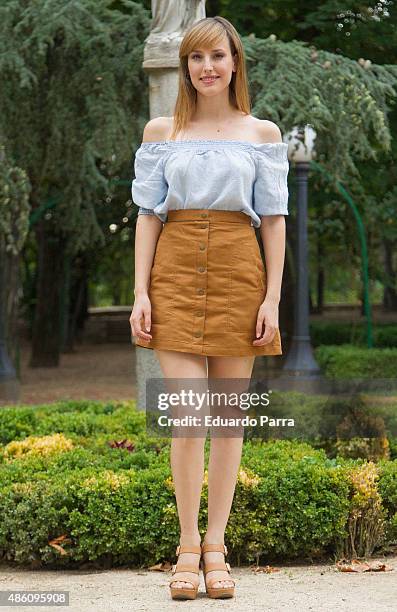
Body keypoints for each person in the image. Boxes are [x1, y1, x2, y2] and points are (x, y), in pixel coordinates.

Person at [130, 15, 289, 601]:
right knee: (189, 417)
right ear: (186, 68)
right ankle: (186, 548)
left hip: (237, 271)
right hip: (172, 269)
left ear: (234, 62)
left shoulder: (262, 134)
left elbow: (273, 220)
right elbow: (149, 214)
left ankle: (218, 547)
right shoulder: (160, 131)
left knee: (226, 422)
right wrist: (141, 290)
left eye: (217, 56)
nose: (207, 68)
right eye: (196, 59)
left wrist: (271, 297)